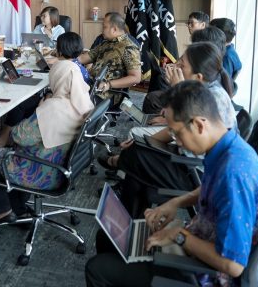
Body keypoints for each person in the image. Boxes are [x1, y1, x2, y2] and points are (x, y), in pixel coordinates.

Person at [85, 81, 258, 287]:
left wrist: (179, 236)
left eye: (176, 133)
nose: (177, 142)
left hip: (206, 274)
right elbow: (211, 188)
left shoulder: (234, 176)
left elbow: (233, 265)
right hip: (198, 238)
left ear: (199, 125)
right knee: (107, 238)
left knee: (97, 269)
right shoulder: (228, 146)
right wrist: (176, 202)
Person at [99, 42, 237, 216]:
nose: (176, 67)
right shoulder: (204, 90)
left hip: (197, 170)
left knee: (135, 157)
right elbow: (175, 132)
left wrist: (179, 90)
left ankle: (125, 206)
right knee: (137, 156)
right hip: (194, 161)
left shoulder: (210, 99)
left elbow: (178, 133)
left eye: (182, 65)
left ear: (198, 76)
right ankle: (131, 218)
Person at [0, 60, 94, 224]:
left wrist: (39, 110)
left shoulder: (54, 108)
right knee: (19, 149)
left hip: (39, 172)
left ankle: (2, 210)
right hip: (63, 169)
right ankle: (18, 207)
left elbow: (18, 136)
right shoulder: (86, 104)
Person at [0, 32, 90, 148]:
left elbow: (20, 136)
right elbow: (66, 91)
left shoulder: (66, 69)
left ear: (60, 51)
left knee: (22, 104)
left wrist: (44, 105)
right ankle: (5, 139)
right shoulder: (77, 68)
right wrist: (49, 95)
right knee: (25, 103)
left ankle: (4, 139)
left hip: (58, 113)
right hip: (60, 104)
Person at [143, 26, 227, 114]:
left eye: (195, 45)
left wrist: (178, 87)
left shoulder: (213, 97)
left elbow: (189, 117)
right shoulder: (207, 79)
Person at [78, 12, 141, 102]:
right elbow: (83, 58)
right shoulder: (106, 43)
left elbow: (136, 78)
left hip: (107, 94)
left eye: (104, 27)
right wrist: (65, 61)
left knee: (72, 101)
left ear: (114, 29)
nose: (102, 30)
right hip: (91, 86)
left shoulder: (128, 47)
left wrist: (109, 84)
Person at [211, 17, 242, 82]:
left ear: (219, 35)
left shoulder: (226, 56)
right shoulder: (230, 50)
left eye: (211, 32)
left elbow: (224, 82)